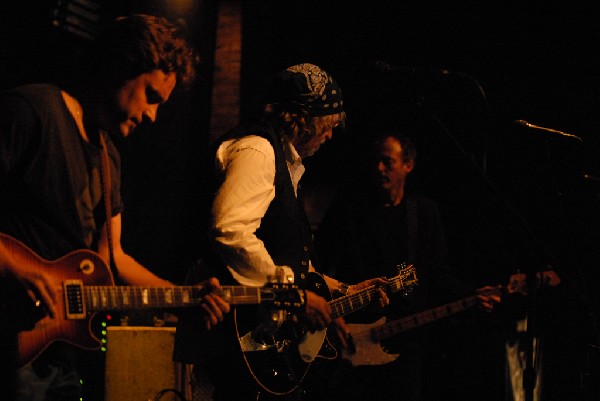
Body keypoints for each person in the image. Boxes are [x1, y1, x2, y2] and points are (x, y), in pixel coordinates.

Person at [0, 14, 230, 401]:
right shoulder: (31, 111)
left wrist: (184, 297)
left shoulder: (110, 157)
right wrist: (11, 268)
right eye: (151, 97)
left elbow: (113, 257)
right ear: (122, 66)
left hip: (59, 358)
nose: (153, 115)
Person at [174, 63, 391, 401]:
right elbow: (230, 230)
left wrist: (345, 290)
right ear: (302, 119)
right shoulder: (257, 151)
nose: (330, 136)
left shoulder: (278, 159)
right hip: (235, 333)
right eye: (327, 125)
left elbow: (284, 256)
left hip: (259, 335)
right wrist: (294, 295)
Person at [314, 131, 501, 401]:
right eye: (376, 161)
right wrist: (332, 314)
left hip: (406, 342)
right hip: (349, 337)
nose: (379, 168)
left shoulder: (424, 213)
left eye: (387, 162)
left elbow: (438, 275)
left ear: (408, 165)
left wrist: (472, 294)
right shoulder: (348, 209)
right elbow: (319, 264)